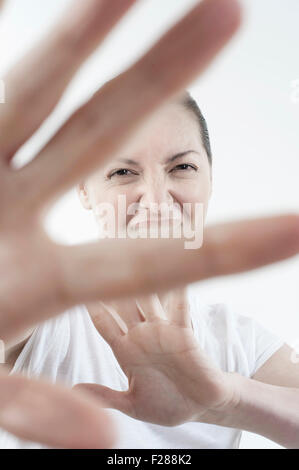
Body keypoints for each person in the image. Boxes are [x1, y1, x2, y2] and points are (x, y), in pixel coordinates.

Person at [1, 0, 299, 449]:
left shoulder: (238, 338)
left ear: (211, 179)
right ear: (84, 192)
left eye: (181, 168)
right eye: (122, 172)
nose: (156, 199)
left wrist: (225, 401)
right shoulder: (46, 321)